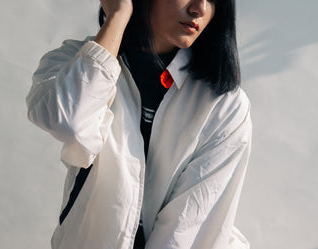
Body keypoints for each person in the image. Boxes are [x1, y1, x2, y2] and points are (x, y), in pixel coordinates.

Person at [26, 0, 252, 248]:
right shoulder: (74, 62)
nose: (200, 8)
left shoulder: (225, 105)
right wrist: (118, 16)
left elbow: (187, 226)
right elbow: (69, 122)